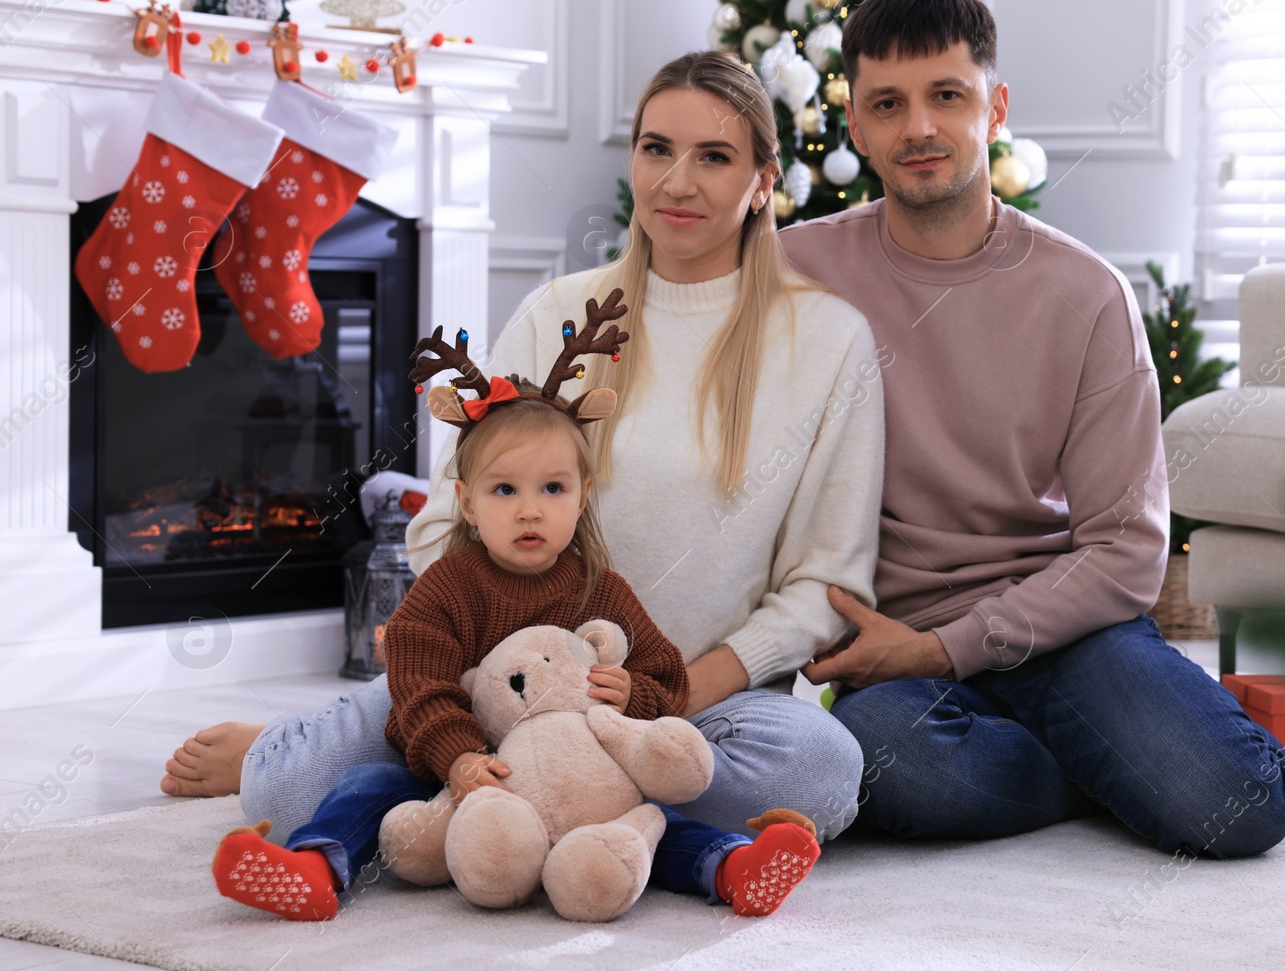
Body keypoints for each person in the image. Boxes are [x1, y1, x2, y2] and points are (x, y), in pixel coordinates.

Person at [162, 49, 884, 909]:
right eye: (656, 149)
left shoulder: (831, 341)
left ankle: (491, 803)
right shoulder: (558, 315)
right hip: (495, 694)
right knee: (284, 789)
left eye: (714, 157)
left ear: (763, 180)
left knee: (822, 768)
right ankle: (463, 779)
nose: (676, 181)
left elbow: (824, 584)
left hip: (682, 706)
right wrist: (459, 669)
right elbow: (448, 517)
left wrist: (675, 690)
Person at [786, 0, 1285, 857]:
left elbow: (1128, 548)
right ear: (859, 128)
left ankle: (1094, 755)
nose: (919, 128)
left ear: (995, 108)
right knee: (878, 763)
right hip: (893, 639)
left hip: (1064, 627)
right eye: (887, 105)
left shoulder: (1085, 292)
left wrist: (948, 649)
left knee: (1238, 800)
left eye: (947, 95)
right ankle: (1094, 771)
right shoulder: (795, 269)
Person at [212, 337, 816, 920]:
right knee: (367, 784)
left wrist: (635, 696)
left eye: (553, 488)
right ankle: (316, 869)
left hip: (582, 777)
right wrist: (458, 760)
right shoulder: (447, 588)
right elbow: (420, 690)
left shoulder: (601, 589)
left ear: (581, 499)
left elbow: (665, 677)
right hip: (467, 778)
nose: (530, 510)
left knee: (651, 816)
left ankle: (733, 868)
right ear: (468, 503)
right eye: (505, 490)